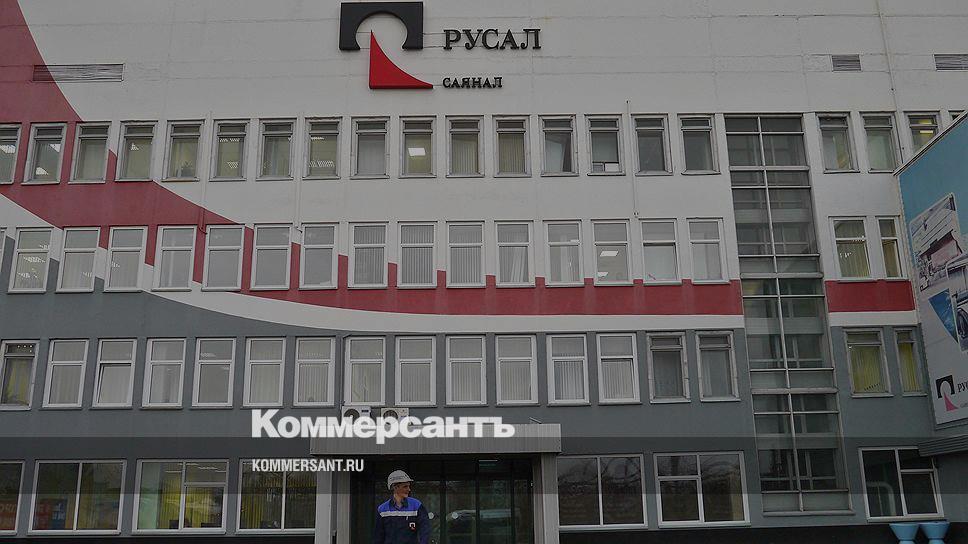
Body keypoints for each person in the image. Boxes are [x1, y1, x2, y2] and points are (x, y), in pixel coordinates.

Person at [373, 470, 431, 544]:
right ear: (395, 487)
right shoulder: (383, 509)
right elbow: (378, 537)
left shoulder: (416, 505)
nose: (409, 489)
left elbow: (425, 530)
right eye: (405, 486)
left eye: (409, 486)